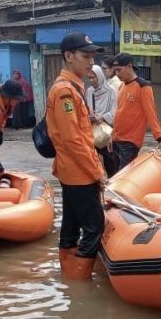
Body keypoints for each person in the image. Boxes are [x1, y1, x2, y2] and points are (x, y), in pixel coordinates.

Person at [45, 32, 107, 281]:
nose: (91, 61)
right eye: (85, 56)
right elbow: (73, 140)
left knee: (71, 225)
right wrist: (97, 173)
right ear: (68, 56)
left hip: (72, 170)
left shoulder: (74, 87)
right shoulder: (65, 92)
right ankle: (80, 285)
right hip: (78, 173)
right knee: (94, 227)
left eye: (92, 56)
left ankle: (69, 279)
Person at [110, 53, 161, 169]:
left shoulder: (143, 86)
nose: (117, 74)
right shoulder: (122, 86)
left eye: (119, 70)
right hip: (116, 139)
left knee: (124, 177)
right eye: (115, 71)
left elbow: (151, 114)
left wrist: (160, 138)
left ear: (129, 66)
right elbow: (119, 112)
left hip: (130, 142)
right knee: (115, 176)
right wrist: (112, 135)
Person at [85, 64, 118, 176]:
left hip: (107, 132)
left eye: (94, 77)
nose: (92, 80)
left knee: (110, 162)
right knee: (94, 161)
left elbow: (116, 110)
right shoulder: (89, 91)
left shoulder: (110, 90)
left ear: (100, 76)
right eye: (89, 78)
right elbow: (87, 109)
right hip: (94, 131)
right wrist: (91, 116)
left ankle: (112, 185)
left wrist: (102, 117)